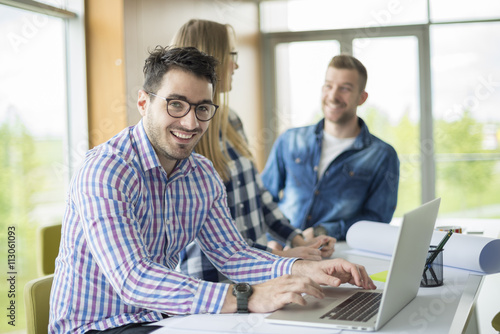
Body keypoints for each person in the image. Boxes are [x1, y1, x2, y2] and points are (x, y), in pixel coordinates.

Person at [49, 46, 375, 334]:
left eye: (202, 108)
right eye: (176, 105)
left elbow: (233, 256)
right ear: (143, 102)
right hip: (97, 327)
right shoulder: (105, 170)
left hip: (161, 319)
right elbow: (133, 279)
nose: (191, 124)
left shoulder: (203, 174)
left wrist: (305, 267)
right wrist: (247, 296)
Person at [170, 19, 335, 282]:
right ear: (212, 59)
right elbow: (211, 240)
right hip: (215, 288)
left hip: (256, 275)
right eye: (231, 55)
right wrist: (284, 257)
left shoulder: (231, 120)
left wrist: (298, 238)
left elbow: (257, 195)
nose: (235, 65)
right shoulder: (183, 139)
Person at [262, 54, 400, 243]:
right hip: (281, 254)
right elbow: (263, 197)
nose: (333, 96)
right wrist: (272, 239)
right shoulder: (290, 140)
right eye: (328, 86)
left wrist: (322, 232)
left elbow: (377, 220)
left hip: (336, 256)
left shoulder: (382, 155)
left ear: (362, 97)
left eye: (345, 89)